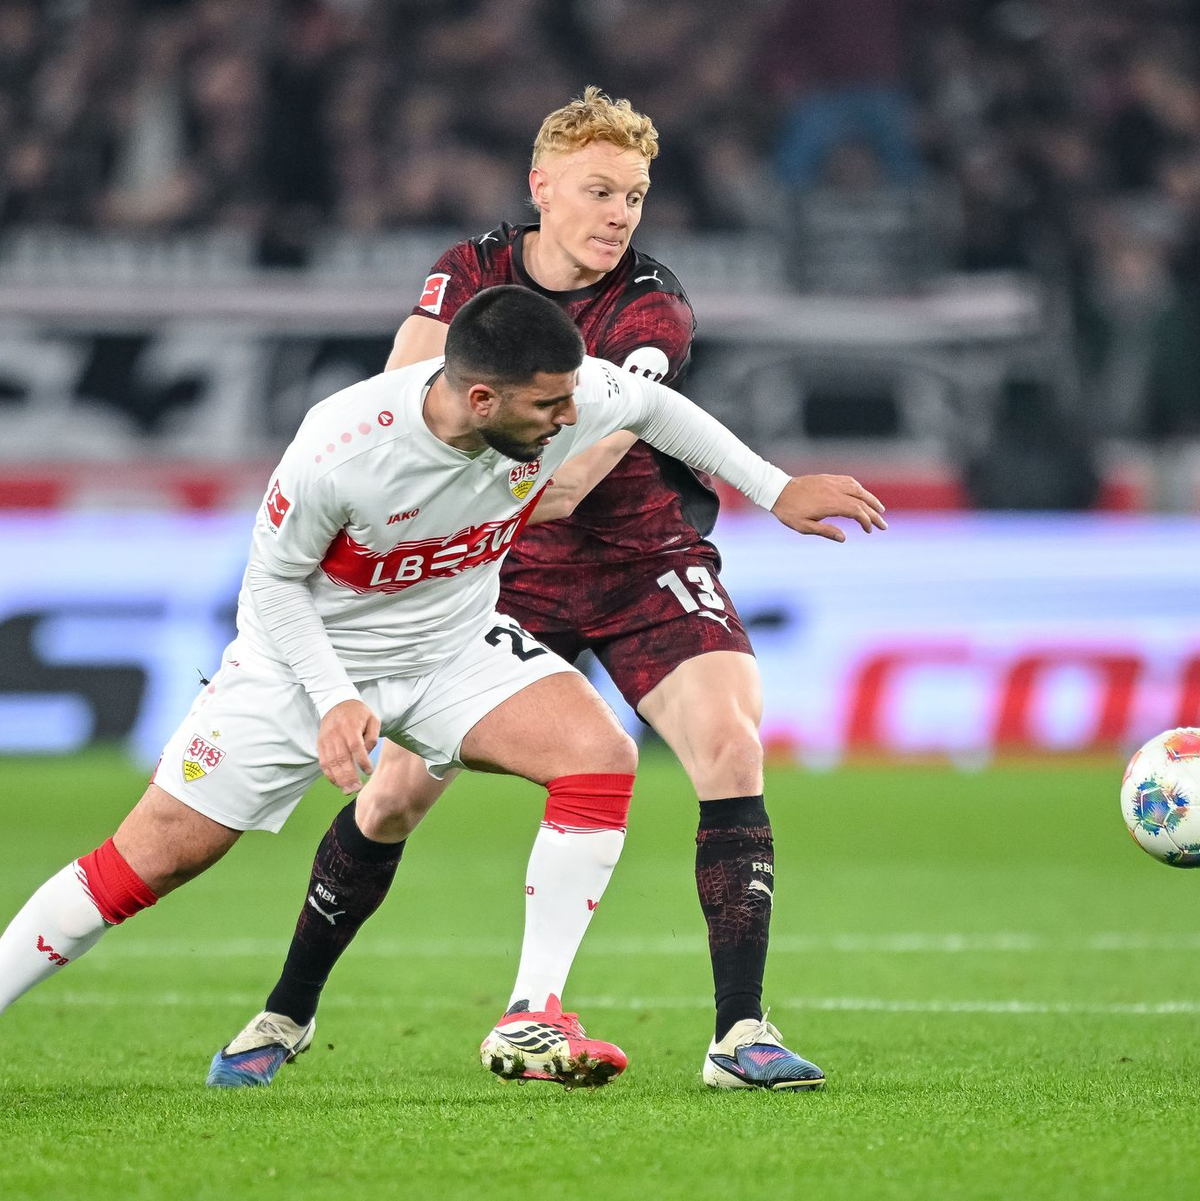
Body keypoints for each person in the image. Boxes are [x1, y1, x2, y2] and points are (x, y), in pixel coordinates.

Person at [0, 285, 886, 1090]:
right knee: (151, 859)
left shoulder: (557, 399)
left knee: (598, 754)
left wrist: (774, 490)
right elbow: (270, 587)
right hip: (302, 665)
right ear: (480, 398)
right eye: (549, 407)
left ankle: (531, 1015)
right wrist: (335, 696)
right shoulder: (342, 448)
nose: (569, 420)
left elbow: (652, 404)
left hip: (455, 646)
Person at [213, 88, 887, 1093]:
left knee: (730, 740)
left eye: (636, 195)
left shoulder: (651, 303)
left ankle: (739, 1033)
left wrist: (773, 489)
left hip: (639, 552)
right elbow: (396, 392)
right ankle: (287, 1008)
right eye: (600, 190)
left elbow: (580, 465)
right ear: (542, 189)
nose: (620, 214)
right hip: (501, 566)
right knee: (394, 795)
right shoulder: (468, 273)